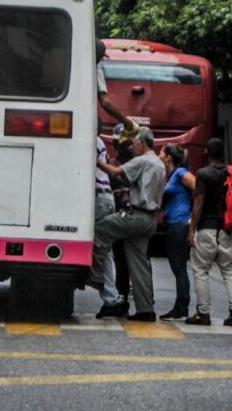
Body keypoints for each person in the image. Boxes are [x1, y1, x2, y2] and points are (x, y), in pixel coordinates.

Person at [90, 127, 166, 322]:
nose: (132, 147)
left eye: (134, 143)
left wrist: (95, 161)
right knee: (139, 264)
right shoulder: (159, 164)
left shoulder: (141, 160)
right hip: (150, 219)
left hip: (135, 216)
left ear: (143, 143)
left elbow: (116, 172)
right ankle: (145, 309)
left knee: (98, 232)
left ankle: (96, 278)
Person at [186, 138, 232, 327]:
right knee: (230, 271)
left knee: (201, 270)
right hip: (226, 230)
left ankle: (203, 313)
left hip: (207, 229)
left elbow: (199, 203)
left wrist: (192, 228)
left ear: (207, 153)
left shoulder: (203, 174)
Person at [94, 121, 128, 319]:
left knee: (100, 246)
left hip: (99, 198)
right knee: (105, 249)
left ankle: (110, 296)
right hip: (106, 198)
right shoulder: (100, 143)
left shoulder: (93, 141)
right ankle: (112, 296)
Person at [159, 143, 195, 320]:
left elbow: (199, 189)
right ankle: (180, 306)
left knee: (179, 268)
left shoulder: (181, 173)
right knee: (176, 268)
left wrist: (192, 219)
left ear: (168, 158)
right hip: (173, 225)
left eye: (161, 153)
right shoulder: (171, 175)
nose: (159, 155)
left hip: (181, 225)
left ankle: (182, 307)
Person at [108, 123, 133, 303]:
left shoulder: (137, 163)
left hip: (133, 214)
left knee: (137, 259)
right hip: (119, 214)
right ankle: (121, 295)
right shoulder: (112, 164)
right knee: (121, 258)